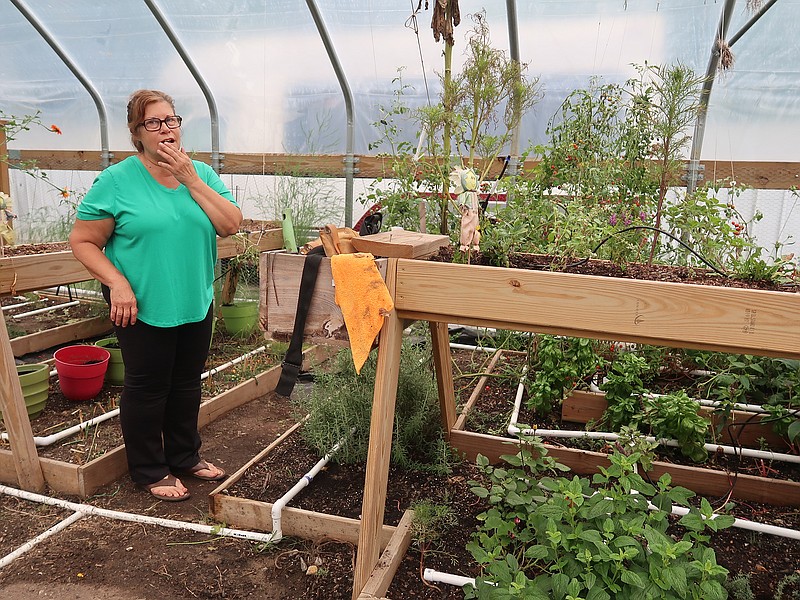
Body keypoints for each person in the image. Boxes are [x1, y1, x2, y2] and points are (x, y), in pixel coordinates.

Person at [70, 90, 243, 501]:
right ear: (137, 133)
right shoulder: (116, 181)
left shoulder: (199, 173)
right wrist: (118, 283)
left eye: (172, 120)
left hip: (193, 299)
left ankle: (185, 456)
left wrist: (191, 179)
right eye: (154, 122)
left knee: (186, 383)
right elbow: (83, 241)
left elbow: (231, 224)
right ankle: (149, 469)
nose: (166, 129)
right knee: (148, 387)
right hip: (140, 304)